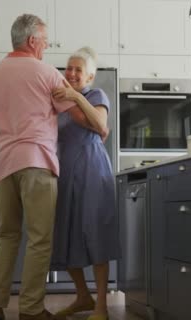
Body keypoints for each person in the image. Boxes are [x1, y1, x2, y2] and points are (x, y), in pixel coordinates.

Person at [0, 14, 94, 320]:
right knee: (40, 239)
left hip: (2, 165)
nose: (47, 45)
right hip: (37, 162)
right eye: (45, 40)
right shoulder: (47, 73)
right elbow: (77, 113)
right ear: (32, 41)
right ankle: (30, 309)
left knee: (7, 235)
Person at [50, 47, 120, 320]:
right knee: (64, 236)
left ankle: (101, 305)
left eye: (78, 69)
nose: (72, 73)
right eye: (69, 68)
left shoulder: (95, 95)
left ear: (90, 77)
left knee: (96, 235)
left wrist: (75, 96)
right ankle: (83, 297)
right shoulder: (60, 102)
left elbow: (102, 126)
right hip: (65, 173)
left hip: (92, 171)